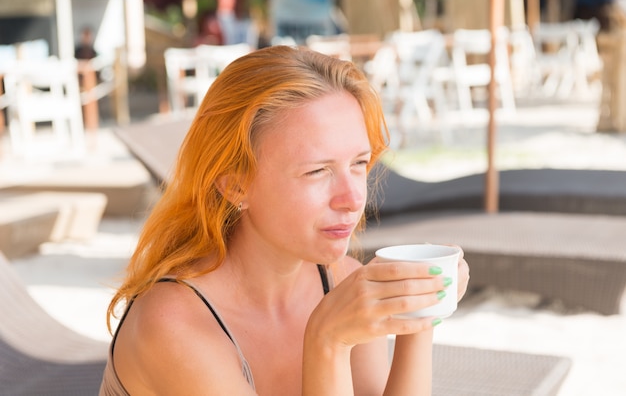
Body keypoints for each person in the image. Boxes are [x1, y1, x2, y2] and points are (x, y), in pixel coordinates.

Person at [100, 45, 470, 395]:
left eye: (359, 163)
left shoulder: (341, 280)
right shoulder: (173, 324)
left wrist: (421, 312)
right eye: (317, 171)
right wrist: (327, 341)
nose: (354, 198)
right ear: (235, 185)